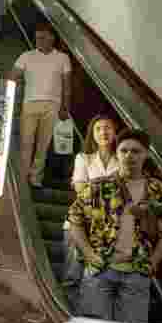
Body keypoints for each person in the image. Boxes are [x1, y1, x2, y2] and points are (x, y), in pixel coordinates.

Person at [66, 129, 162, 323]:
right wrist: (89, 254)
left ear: (146, 154)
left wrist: (153, 261)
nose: (129, 156)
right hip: (100, 269)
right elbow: (74, 220)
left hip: (137, 271)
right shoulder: (98, 186)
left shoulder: (158, 190)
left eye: (136, 151)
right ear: (116, 153)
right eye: (124, 150)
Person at [61, 115, 120, 303]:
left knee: (96, 280)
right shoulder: (84, 158)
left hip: (108, 230)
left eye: (108, 128)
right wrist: (109, 186)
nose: (103, 132)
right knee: (73, 275)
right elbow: (80, 189)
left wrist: (95, 184)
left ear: (115, 132)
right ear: (92, 134)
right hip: (79, 224)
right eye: (99, 129)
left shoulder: (122, 161)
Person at [8, 23, 72, 188]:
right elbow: (12, 78)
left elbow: (67, 85)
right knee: (26, 143)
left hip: (53, 105)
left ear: (52, 38)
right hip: (29, 104)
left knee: (43, 145)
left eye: (43, 37)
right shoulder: (26, 56)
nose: (39, 40)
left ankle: (35, 178)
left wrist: (65, 107)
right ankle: (22, 178)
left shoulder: (62, 58)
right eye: (37, 38)